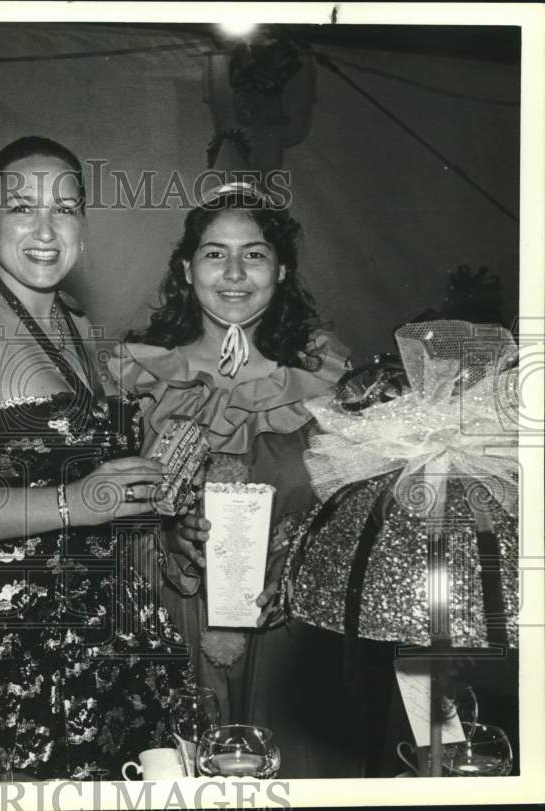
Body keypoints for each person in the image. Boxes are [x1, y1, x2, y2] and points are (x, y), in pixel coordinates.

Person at [0, 136, 191, 781]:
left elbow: (95, 495)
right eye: (22, 207)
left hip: (107, 651)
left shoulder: (83, 333)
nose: (47, 229)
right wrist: (73, 504)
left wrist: (158, 516)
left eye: (67, 208)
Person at [109, 183, 386, 778]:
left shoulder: (328, 375)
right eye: (215, 253)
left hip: (289, 634)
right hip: (167, 625)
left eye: (255, 254)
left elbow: (365, 516)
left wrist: (306, 552)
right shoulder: (134, 375)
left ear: (281, 270)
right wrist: (159, 538)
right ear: (187, 269)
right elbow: (95, 515)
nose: (234, 273)